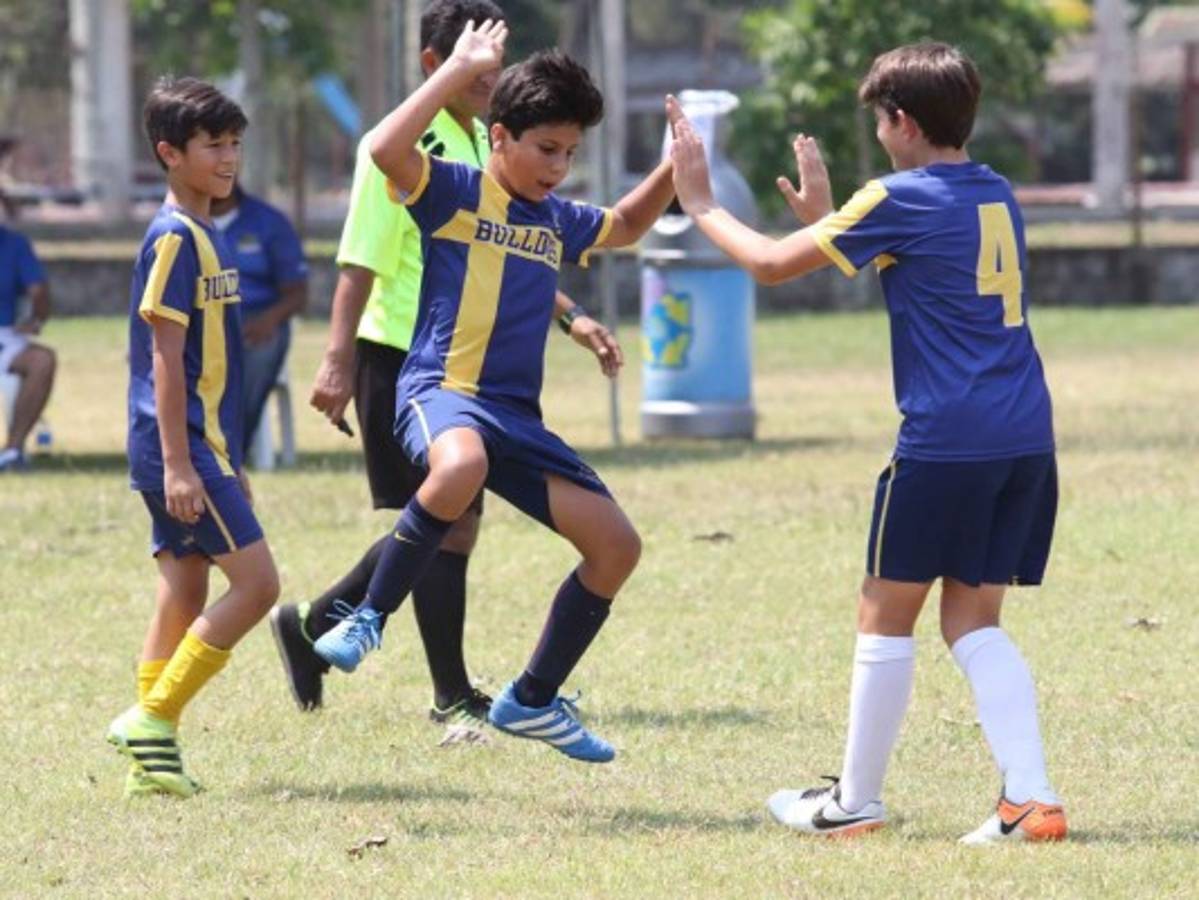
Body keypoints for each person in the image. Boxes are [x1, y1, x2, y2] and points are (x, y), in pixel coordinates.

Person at [667, 42, 1067, 843]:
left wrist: (701, 202)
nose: (877, 131)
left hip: (944, 442)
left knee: (884, 615)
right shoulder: (994, 190)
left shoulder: (892, 194)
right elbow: (920, 257)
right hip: (1023, 437)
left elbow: (773, 267)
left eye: (878, 118)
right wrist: (829, 216)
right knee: (972, 621)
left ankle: (853, 804)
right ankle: (1031, 800)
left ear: (901, 122)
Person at [311, 21, 675, 764]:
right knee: (457, 469)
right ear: (499, 136)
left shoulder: (554, 220)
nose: (559, 168)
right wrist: (456, 74)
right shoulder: (450, 190)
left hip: (513, 418)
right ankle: (364, 618)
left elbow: (629, 224)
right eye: (547, 149)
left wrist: (677, 161)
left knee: (615, 547)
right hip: (441, 391)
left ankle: (533, 699)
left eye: (570, 154)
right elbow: (382, 151)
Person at [105, 77, 280, 798]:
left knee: (184, 587)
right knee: (259, 585)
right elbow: (164, 358)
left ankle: (153, 761)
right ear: (168, 153)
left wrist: (226, 458)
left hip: (201, 449)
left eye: (235, 142)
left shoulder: (209, 232)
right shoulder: (176, 236)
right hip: (178, 450)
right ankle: (154, 715)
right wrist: (182, 464)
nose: (229, 157)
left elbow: (217, 365)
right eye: (213, 145)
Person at [209, 184, 308, 454]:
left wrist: (269, 319)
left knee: (260, 350)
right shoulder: (180, 223)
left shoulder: (269, 222)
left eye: (232, 147)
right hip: (202, 319)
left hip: (257, 318)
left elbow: (298, 293)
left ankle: (233, 447)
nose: (224, 161)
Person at [0, 219, 54, 472]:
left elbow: (38, 291)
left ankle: (12, 450)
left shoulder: (15, 244)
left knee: (42, 360)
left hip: (4, 336)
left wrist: (35, 319)